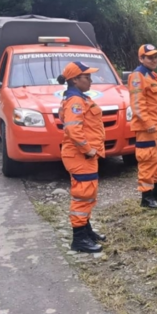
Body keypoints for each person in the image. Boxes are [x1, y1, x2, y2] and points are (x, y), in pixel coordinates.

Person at [59, 61, 107, 253]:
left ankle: (85, 230)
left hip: (82, 156)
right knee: (82, 195)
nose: (90, 80)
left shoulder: (79, 98)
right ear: (75, 80)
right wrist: (88, 149)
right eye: (86, 77)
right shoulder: (75, 101)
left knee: (88, 194)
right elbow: (73, 129)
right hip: (80, 156)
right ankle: (79, 239)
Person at [128, 44, 157, 208]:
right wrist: (148, 123)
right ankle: (146, 197)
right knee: (148, 161)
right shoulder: (137, 76)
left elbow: (156, 104)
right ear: (141, 58)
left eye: (156, 56)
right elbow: (137, 104)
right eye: (150, 57)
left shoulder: (152, 75)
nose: (154, 60)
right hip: (146, 129)